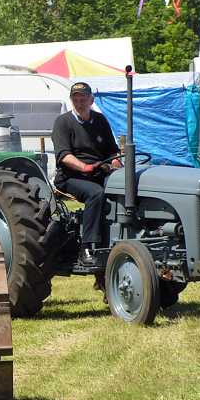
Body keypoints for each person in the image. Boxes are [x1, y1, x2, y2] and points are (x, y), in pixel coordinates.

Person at [52, 82, 121, 265]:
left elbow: (113, 151)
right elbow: (64, 155)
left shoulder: (100, 120)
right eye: (76, 98)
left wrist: (116, 163)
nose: (79, 102)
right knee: (95, 193)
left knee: (125, 188)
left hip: (99, 173)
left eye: (83, 98)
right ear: (71, 100)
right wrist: (84, 167)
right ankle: (87, 247)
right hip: (71, 177)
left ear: (91, 100)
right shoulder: (63, 122)